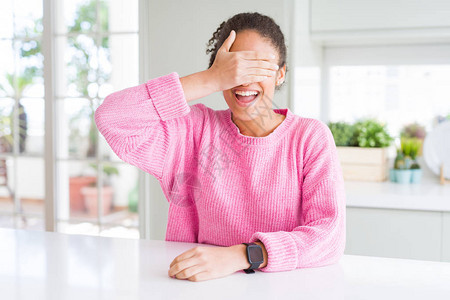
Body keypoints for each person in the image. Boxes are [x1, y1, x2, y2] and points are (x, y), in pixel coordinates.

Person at [95, 12, 346, 282]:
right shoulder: (194, 131)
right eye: (236, 68)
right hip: (196, 287)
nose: (245, 80)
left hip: (281, 287)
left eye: (258, 67)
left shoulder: (309, 137)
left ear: (280, 74)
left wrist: (243, 255)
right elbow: (112, 118)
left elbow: (328, 236)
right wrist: (210, 79)